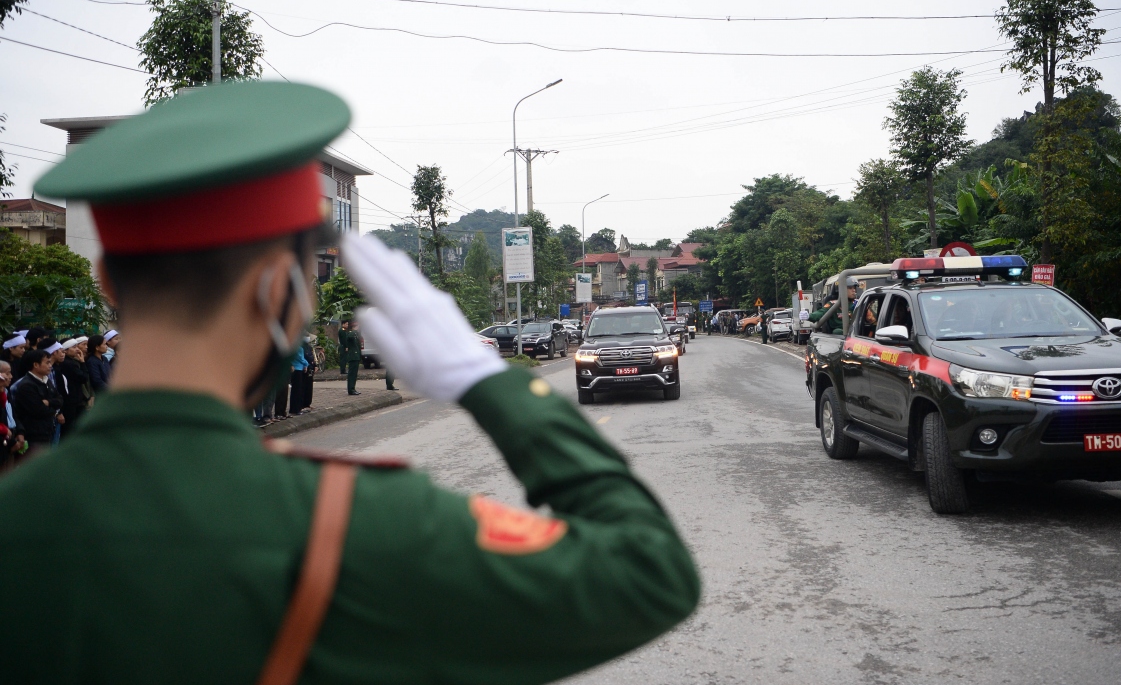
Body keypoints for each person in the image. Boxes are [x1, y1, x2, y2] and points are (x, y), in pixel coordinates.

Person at [0, 81, 698, 683]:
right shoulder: (351, 526)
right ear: (281, 286)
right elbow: (648, 572)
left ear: (107, 279)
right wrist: (490, 382)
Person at [11, 348, 63, 455]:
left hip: (47, 431)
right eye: (47, 362)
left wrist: (48, 402)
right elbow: (39, 410)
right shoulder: (27, 385)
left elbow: (60, 400)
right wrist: (52, 408)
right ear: (35, 365)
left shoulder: (46, 380)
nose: (50, 365)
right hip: (34, 434)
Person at [57, 337, 92, 438]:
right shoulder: (69, 364)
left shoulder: (70, 362)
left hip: (73, 400)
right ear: (66, 350)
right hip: (70, 401)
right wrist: (82, 362)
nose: (77, 349)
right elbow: (83, 378)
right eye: (74, 347)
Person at [344, 319, 363, 395]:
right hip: (353, 356)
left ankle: (353, 388)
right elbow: (349, 337)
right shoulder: (351, 334)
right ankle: (351, 389)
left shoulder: (356, 334)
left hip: (356, 356)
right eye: (357, 326)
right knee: (352, 374)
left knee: (354, 374)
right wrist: (354, 330)